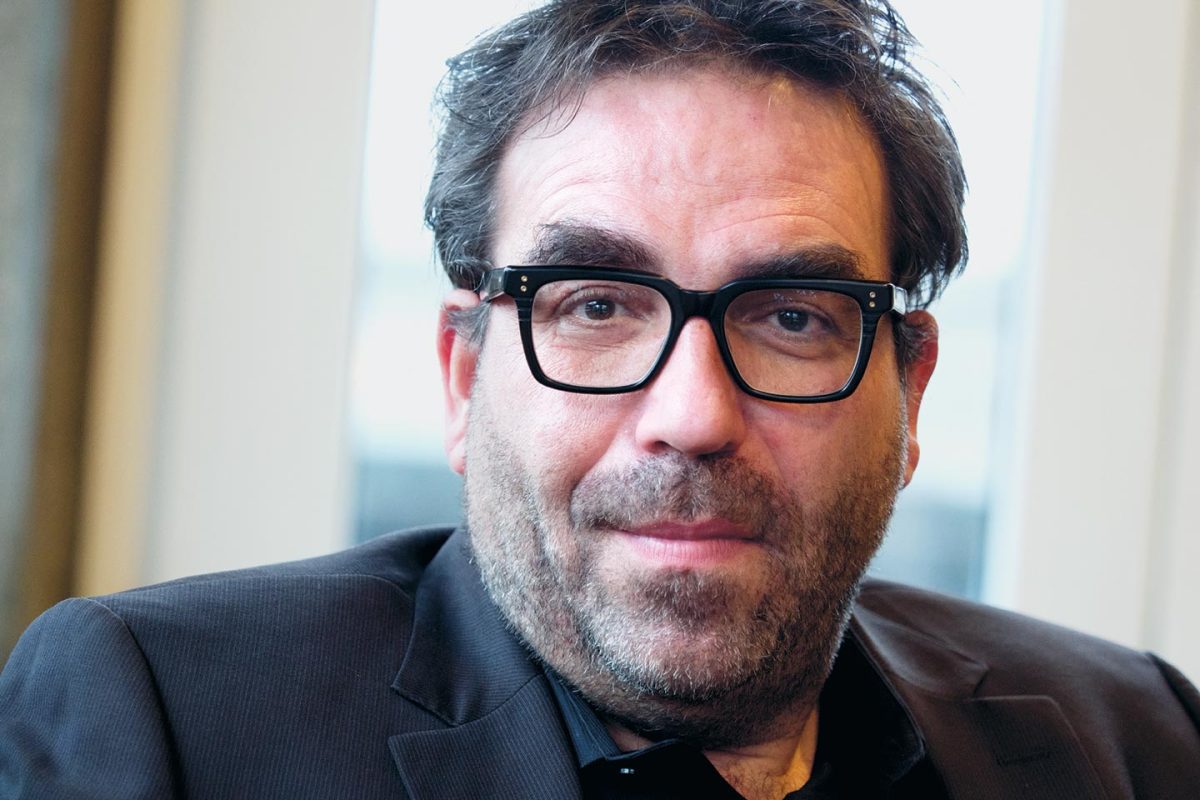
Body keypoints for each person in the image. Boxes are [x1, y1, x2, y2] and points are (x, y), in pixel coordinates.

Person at [2, 1, 1198, 798]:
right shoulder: (166, 722)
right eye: (594, 304)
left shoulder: (1137, 739)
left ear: (912, 388)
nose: (693, 413)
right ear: (464, 377)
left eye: (791, 317)